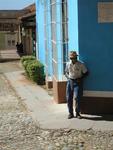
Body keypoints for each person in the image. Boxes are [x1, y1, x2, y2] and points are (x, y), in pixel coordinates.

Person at [65, 51, 88, 119]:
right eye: (71, 58)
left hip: (78, 82)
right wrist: (68, 78)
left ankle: (78, 113)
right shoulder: (68, 64)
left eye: (74, 58)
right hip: (70, 81)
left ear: (76, 57)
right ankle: (70, 113)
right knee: (69, 97)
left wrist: (80, 78)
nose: (73, 59)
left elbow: (86, 73)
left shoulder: (81, 64)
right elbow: (66, 72)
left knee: (77, 97)